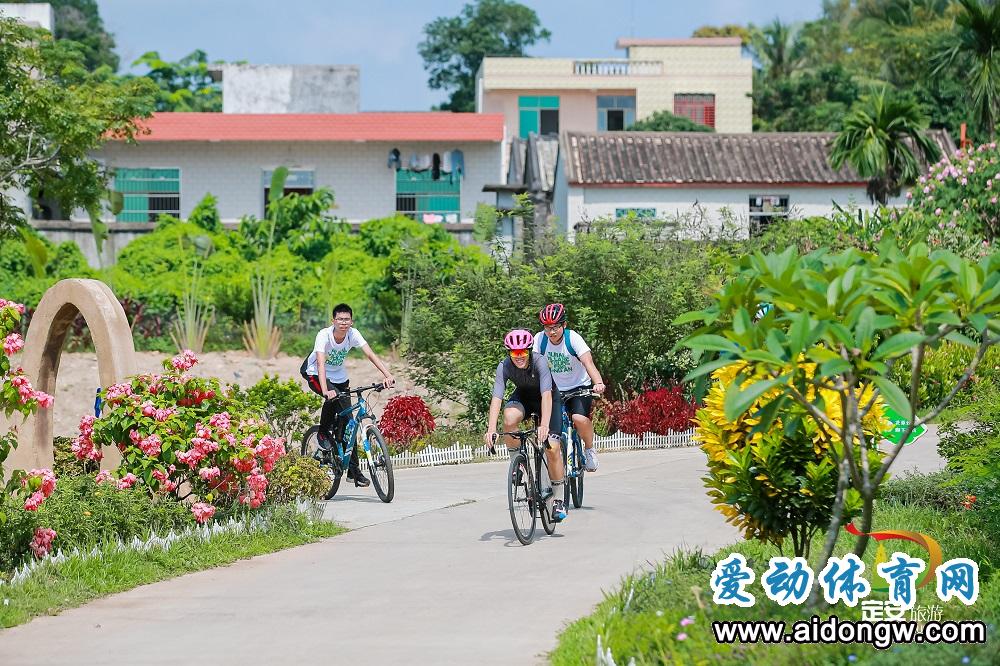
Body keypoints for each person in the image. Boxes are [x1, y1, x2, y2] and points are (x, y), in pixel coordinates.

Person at [303, 304, 395, 487]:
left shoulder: (353, 334)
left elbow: (369, 354)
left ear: (351, 321)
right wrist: (326, 391)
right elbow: (320, 363)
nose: (343, 323)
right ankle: (322, 433)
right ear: (333, 321)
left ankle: (354, 472)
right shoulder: (324, 335)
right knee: (332, 398)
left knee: (350, 423)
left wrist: (387, 375)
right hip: (315, 374)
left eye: (347, 320)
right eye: (340, 319)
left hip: (340, 378)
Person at [484, 329, 567, 522]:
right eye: (514, 353)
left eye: (523, 352)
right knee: (508, 419)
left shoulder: (540, 362)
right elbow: (497, 397)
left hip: (547, 399)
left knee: (552, 448)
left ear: (529, 351)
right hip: (524, 398)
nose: (519, 357)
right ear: (509, 353)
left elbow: (546, 394)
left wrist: (545, 424)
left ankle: (559, 499)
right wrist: (491, 429)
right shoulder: (504, 366)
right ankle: (518, 464)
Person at [534, 303, 606, 472]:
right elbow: (534, 367)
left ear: (564, 325)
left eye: (556, 327)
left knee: (579, 419)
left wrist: (598, 382)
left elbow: (588, 362)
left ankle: (589, 449)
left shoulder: (572, 338)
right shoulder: (540, 340)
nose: (551, 332)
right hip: (554, 391)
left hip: (578, 387)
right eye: (547, 328)